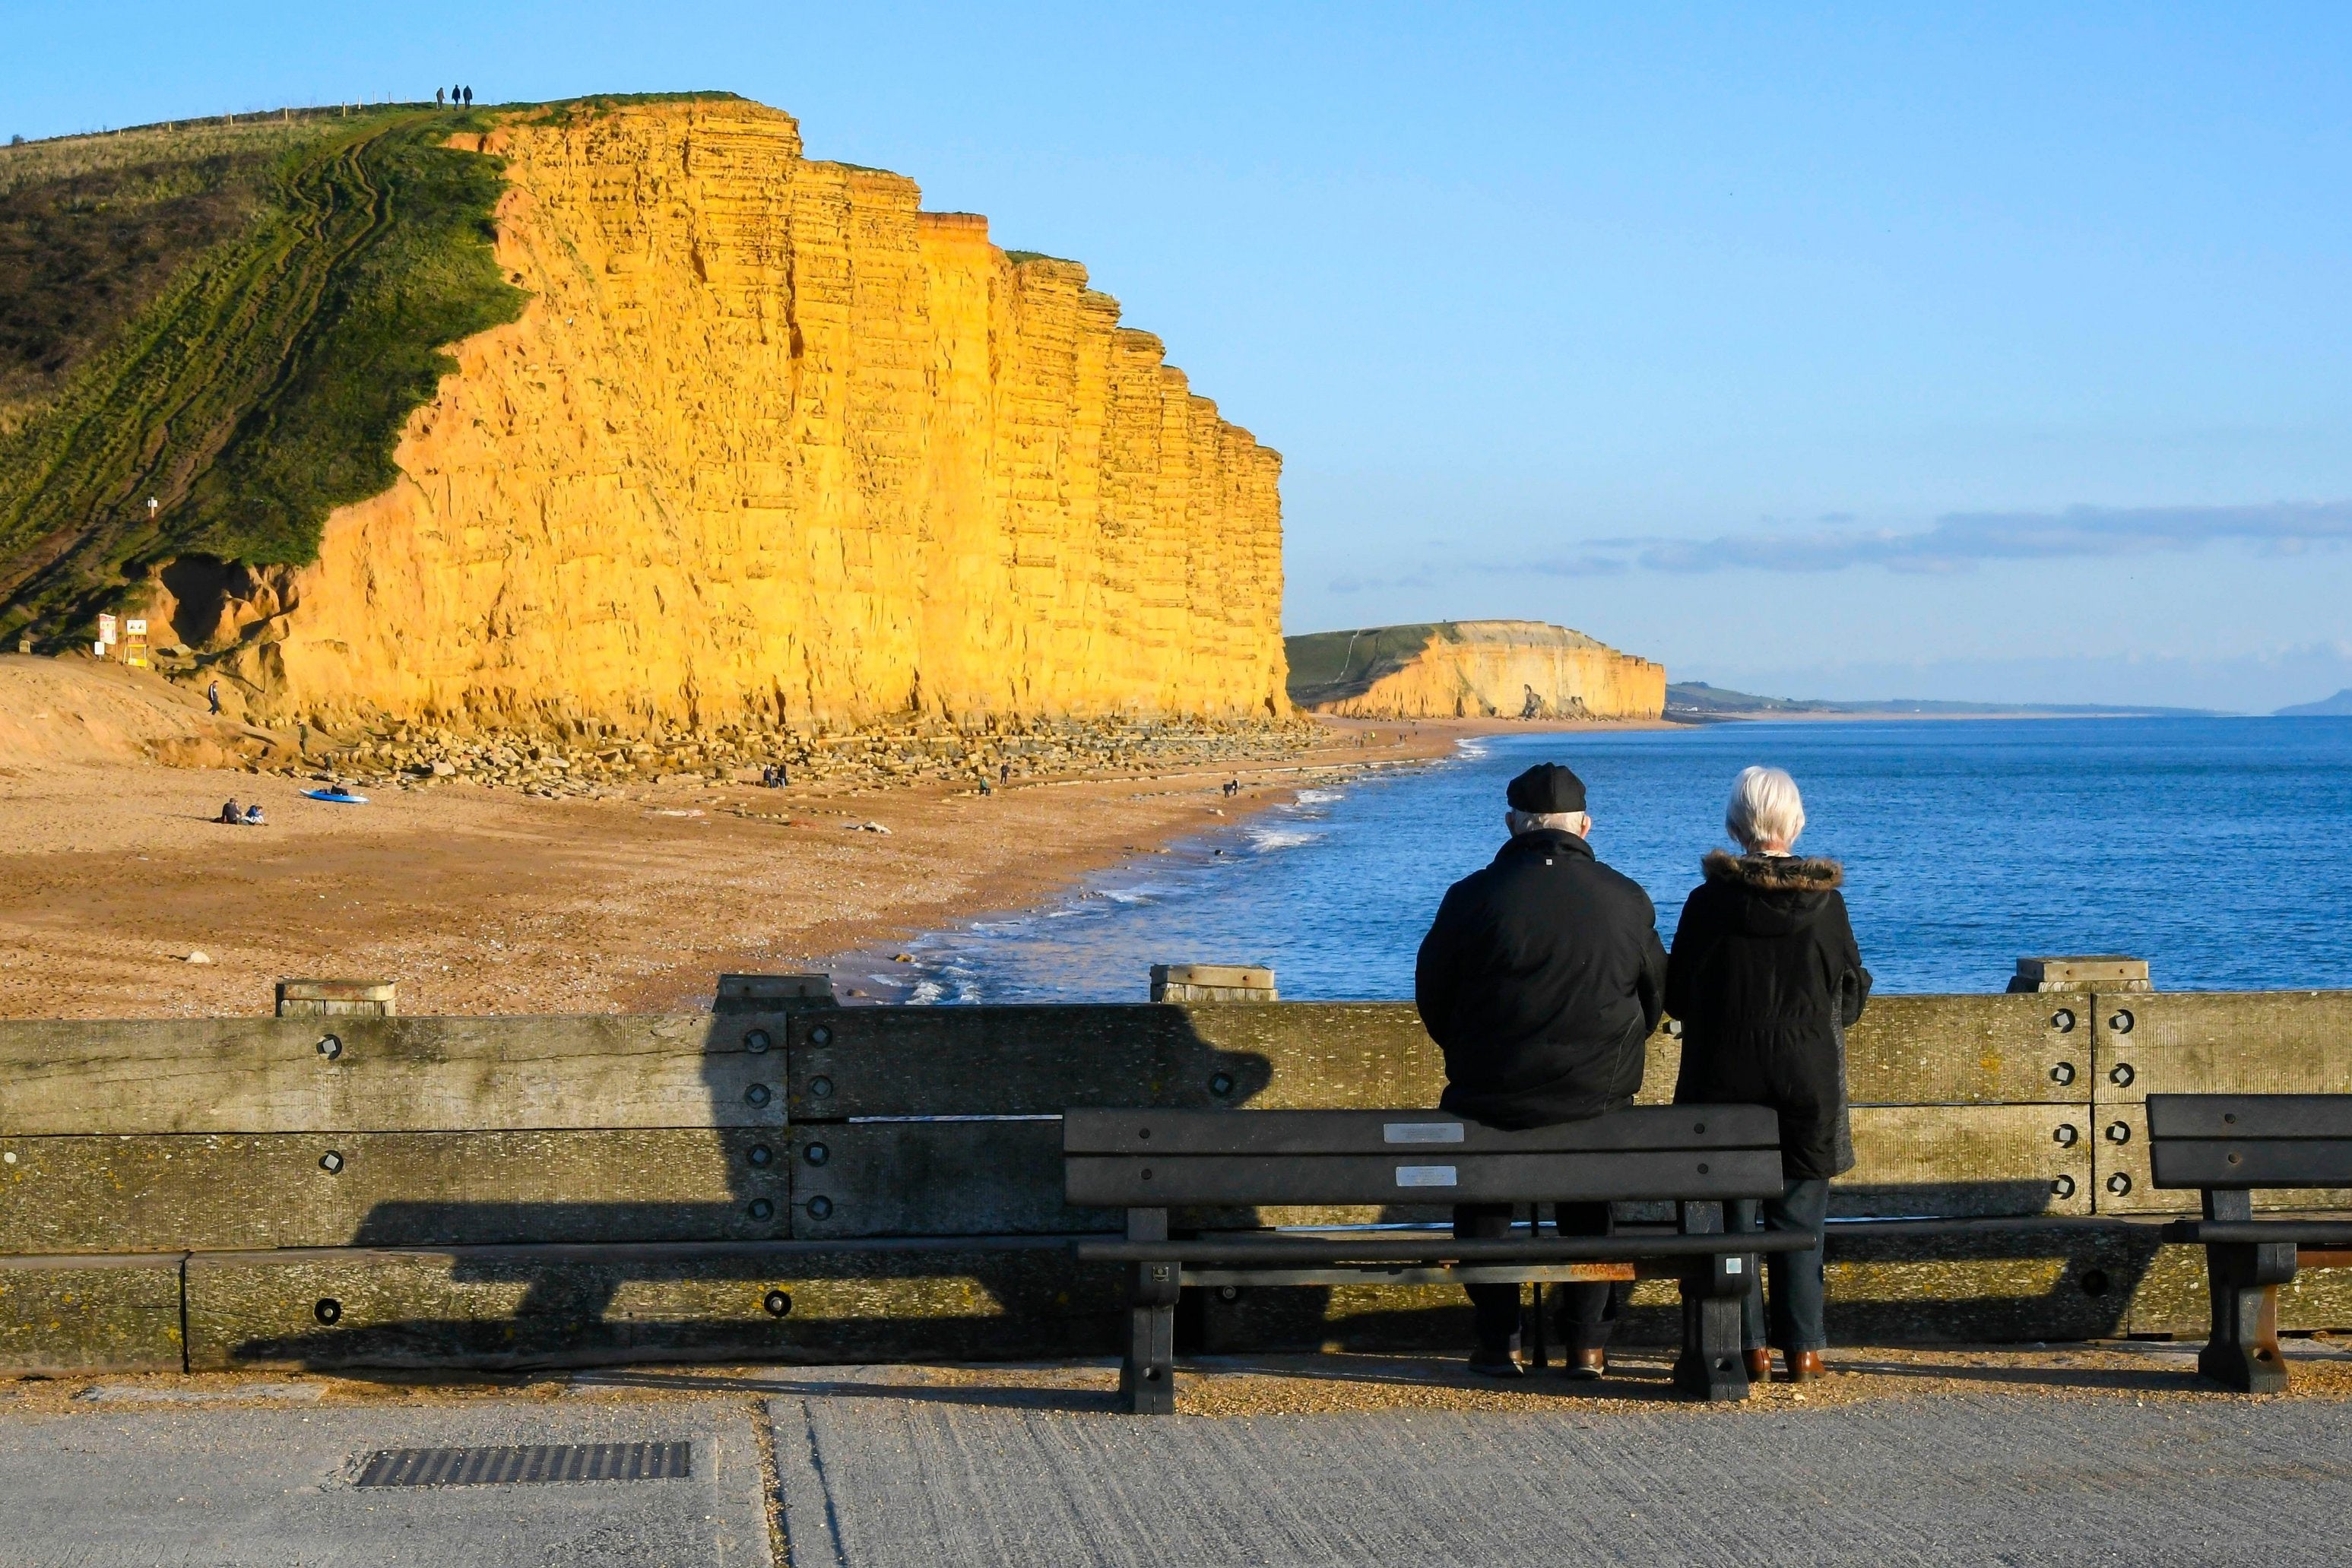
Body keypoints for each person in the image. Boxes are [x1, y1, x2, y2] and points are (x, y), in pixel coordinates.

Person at [1415, 762, 1667, 1378]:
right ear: (1585, 826)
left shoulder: (1470, 896)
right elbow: (1656, 996)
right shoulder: (1627, 898)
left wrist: (1473, 1053)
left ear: (1512, 825)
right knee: (1588, 1205)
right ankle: (1586, 1343)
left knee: (1484, 1203)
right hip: (1595, 1098)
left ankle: (1500, 1337)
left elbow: (1433, 994)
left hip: (1489, 1093)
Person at [1665, 765, 1869, 1384]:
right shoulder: (1825, 904)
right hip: (1807, 1077)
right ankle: (1803, 1349)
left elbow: (1677, 996)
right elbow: (1852, 994)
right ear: (1795, 823)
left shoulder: (1707, 903)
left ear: (1735, 825)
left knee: (1732, 1218)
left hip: (1720, 1077)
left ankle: (1747, 1346)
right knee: (1801, 1215)